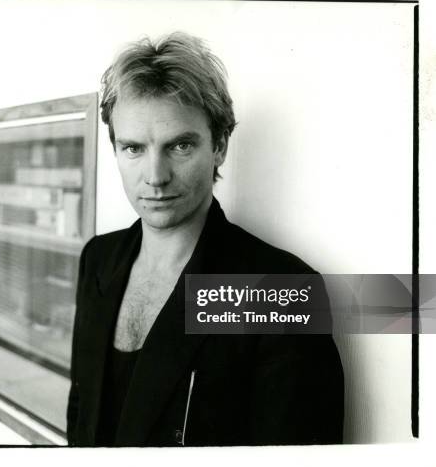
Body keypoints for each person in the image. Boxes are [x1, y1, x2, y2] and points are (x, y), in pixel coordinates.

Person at [66, 32, 344, 447]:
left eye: (179, 145)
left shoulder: (278, 290)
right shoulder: (98, 258)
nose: (155, 177)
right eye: (134, 148)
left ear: (219, 146)